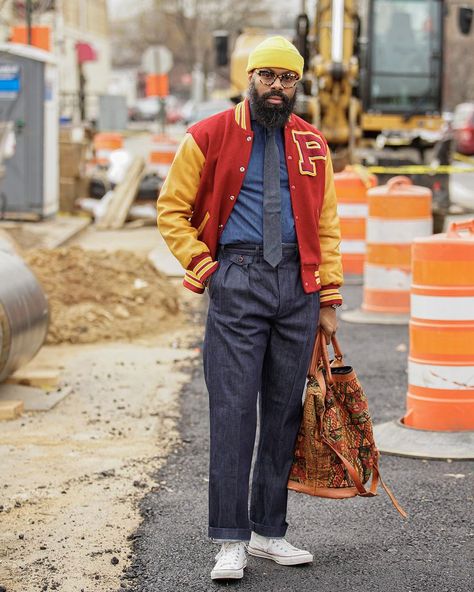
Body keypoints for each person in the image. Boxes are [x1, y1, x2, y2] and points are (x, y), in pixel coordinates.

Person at [157, 36, 343, 581]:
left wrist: (328, 297)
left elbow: (328, 227)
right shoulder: (208, 135)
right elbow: (171, 210)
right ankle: (230, 540)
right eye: (268, 76)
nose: (277, 87)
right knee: (233, 412)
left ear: (297, 84)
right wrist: (204, 264)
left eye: (287, 79)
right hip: (236, 276)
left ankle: (268, 532)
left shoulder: (314, 144)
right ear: (250, 76)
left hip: (298, 285)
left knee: (284, 412)